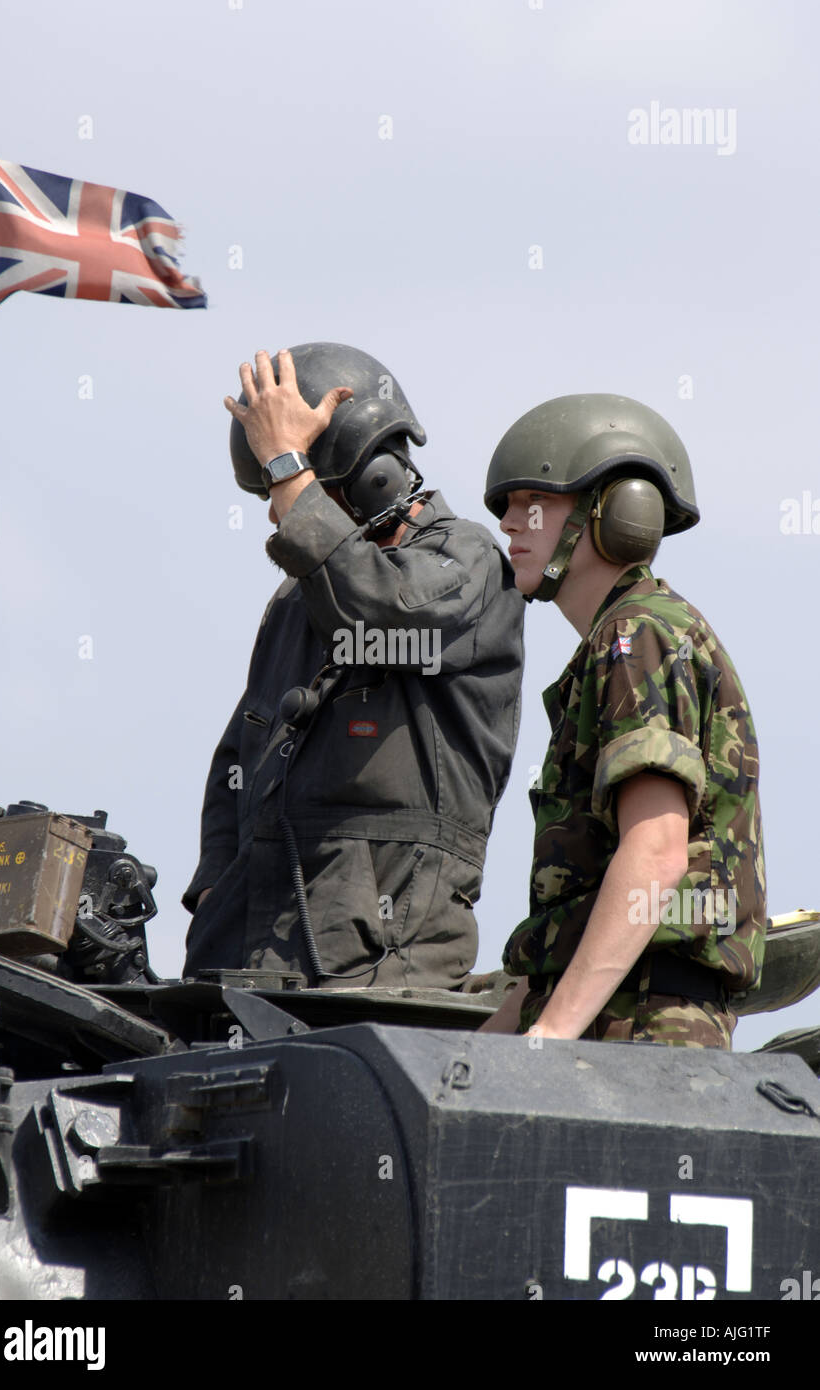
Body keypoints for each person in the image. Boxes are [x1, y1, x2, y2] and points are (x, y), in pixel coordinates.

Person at [182, 343, 524, 987]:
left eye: (305, 484)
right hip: (250, 948)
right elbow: (240, 757)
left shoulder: (468, 562)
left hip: (383, 954)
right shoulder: (298, 599)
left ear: (376, 474)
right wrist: (213, 895)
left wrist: (288, 466)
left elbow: (380, 609)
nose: (280, 507)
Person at [479, 393, 765, 1048]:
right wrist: (492, 1048)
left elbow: (655, 852)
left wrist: (548, 1037)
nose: (510, 525)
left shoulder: (641, 636)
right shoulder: (617, 642)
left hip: (640, 1031)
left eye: (536, 504)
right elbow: (576, 914)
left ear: (616, 514)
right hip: (614, 1016)